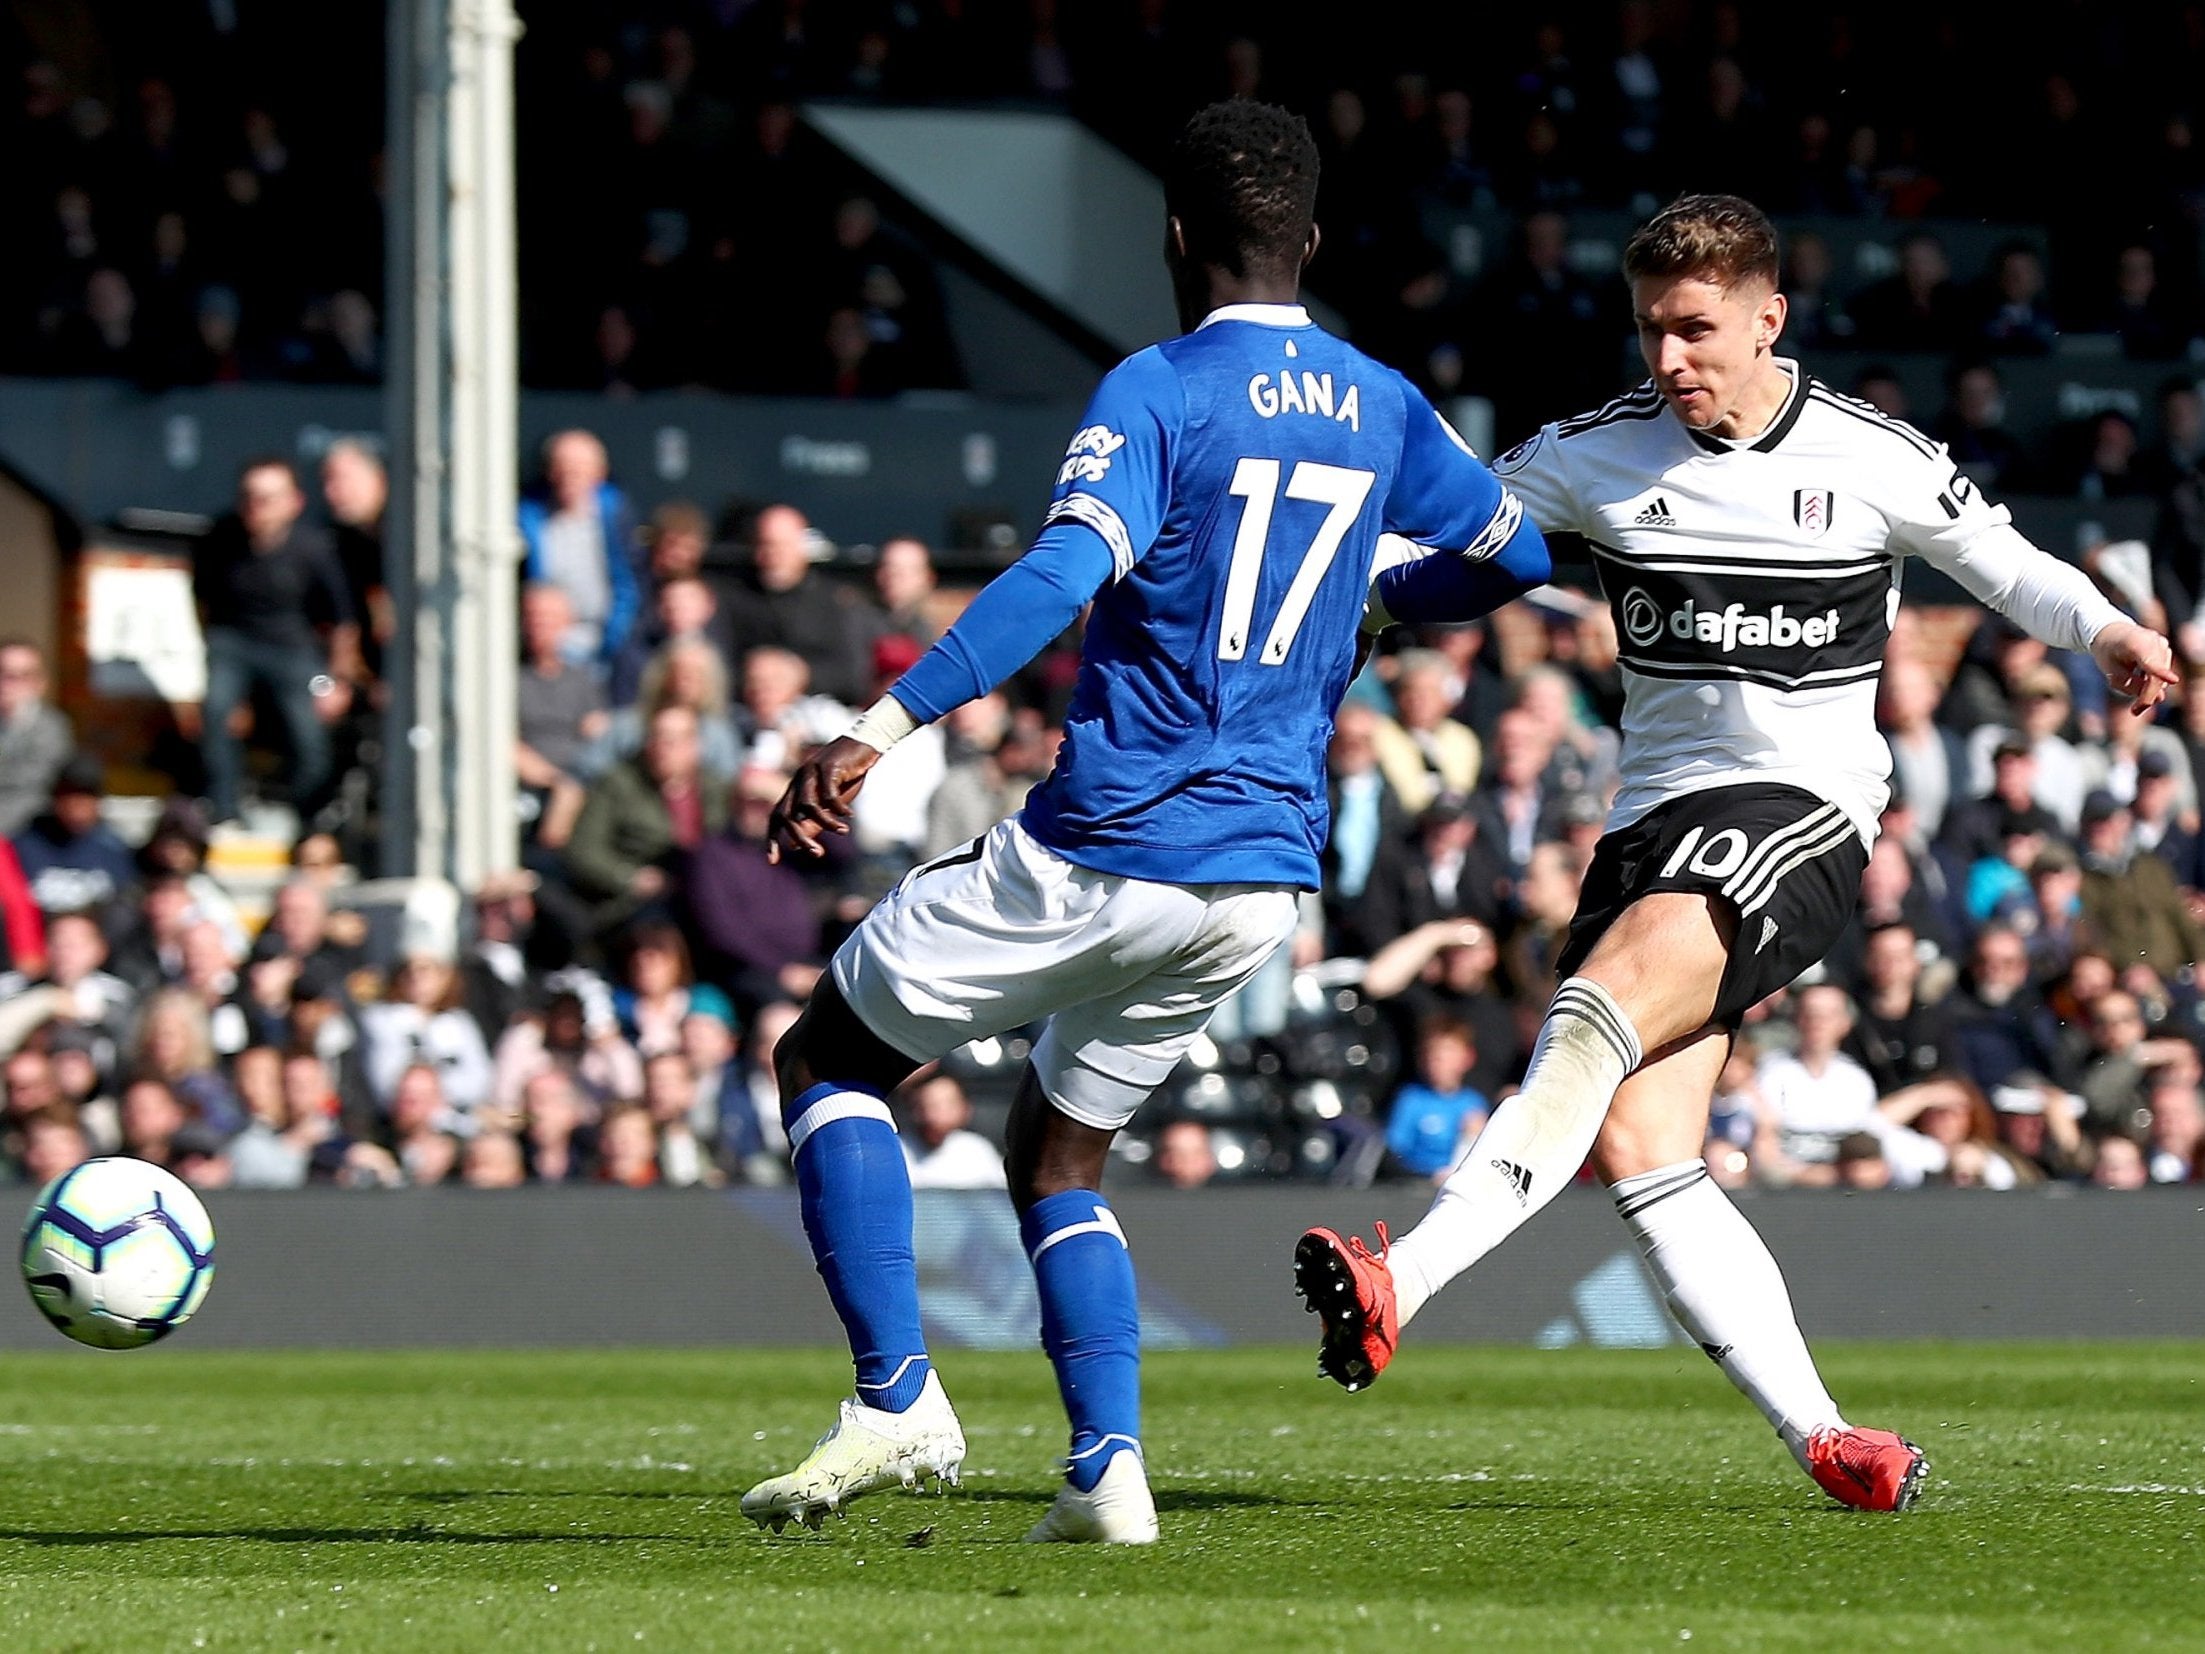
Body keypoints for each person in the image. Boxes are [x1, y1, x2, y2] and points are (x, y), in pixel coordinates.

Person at [739, 101, 1549, 1545]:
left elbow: (1059, 578)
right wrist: (1379, 594)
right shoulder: (1379, 397)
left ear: (1173, 238)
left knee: (825, 1054)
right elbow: (1517, 553)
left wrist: (878, 723)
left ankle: (895, 1394)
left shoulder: (1159, 388)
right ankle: (1108, 1467)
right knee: (1057, 1147)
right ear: (1307, 242)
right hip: (1255, 882)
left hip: (1112, 836)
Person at [1295, 193, 2175, 1516]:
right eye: (1650, 329)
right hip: (1650, 820)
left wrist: (2104, 629)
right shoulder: (1594, 455)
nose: (1669, 359)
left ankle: (1400, 1279)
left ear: (1769, 318)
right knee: (1642, 1142)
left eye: (1696, 329)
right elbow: (1470, 556)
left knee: (1593, 1014)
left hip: (1800, 812)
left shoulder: (1870, 453)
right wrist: (1363, 600)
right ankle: (1827, 1437)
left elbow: (1999, 562)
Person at [188, 458, 360, 824]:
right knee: (216, 710)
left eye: (268, 498)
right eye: (249, 497)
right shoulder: (219, 539)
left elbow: (344, 622)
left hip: (296, 651)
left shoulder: (314, 548)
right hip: (233, 644)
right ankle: (224, 809)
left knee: (308, 727)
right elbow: (203, 604)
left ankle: (307, 817)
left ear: (294, 502)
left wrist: (336, 682)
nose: (257, 507)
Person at [0, 639, 73, 837]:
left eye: (22, 676)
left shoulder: (52, 726)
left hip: (27, 832)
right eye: (4, 673)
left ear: (40, 683)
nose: (9, 684)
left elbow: (38, 782)